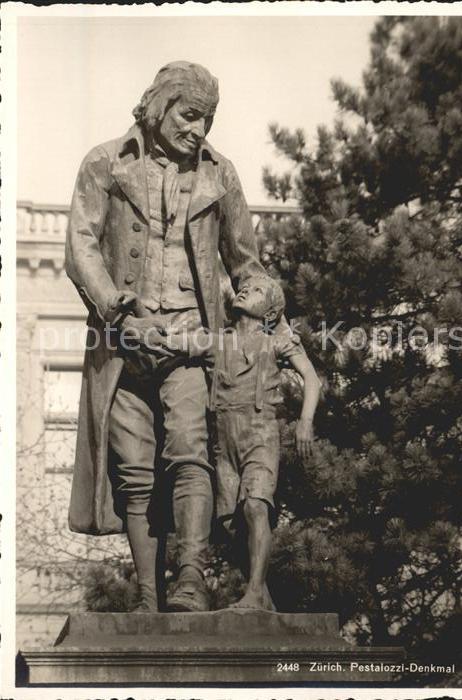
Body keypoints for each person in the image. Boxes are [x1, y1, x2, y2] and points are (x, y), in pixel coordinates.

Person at [65, 61, 266, 612]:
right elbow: (80, 248)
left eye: (208, 119)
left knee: (189, 452)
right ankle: (150, 600)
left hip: (191, 343)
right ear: (160, 105)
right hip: (122, 341)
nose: (199, 130)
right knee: (132, 470)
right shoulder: (106, 163)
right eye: (190, 115)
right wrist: (115, 311)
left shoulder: (219, 175)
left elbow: (247, 265)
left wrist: (262, 299)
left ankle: (192, 581)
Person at [165, 275, 322, 610]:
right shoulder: (218, 342)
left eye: (258, 291)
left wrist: (305, 421)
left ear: (269, 312)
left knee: (254, 506)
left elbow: (311, 378)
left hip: (260, 434)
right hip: (224, 442)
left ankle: (253, 593)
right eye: (245, 287)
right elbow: (174, 342)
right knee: (229, 523)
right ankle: (262, 595)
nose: (246, 290)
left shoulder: (276, 342)